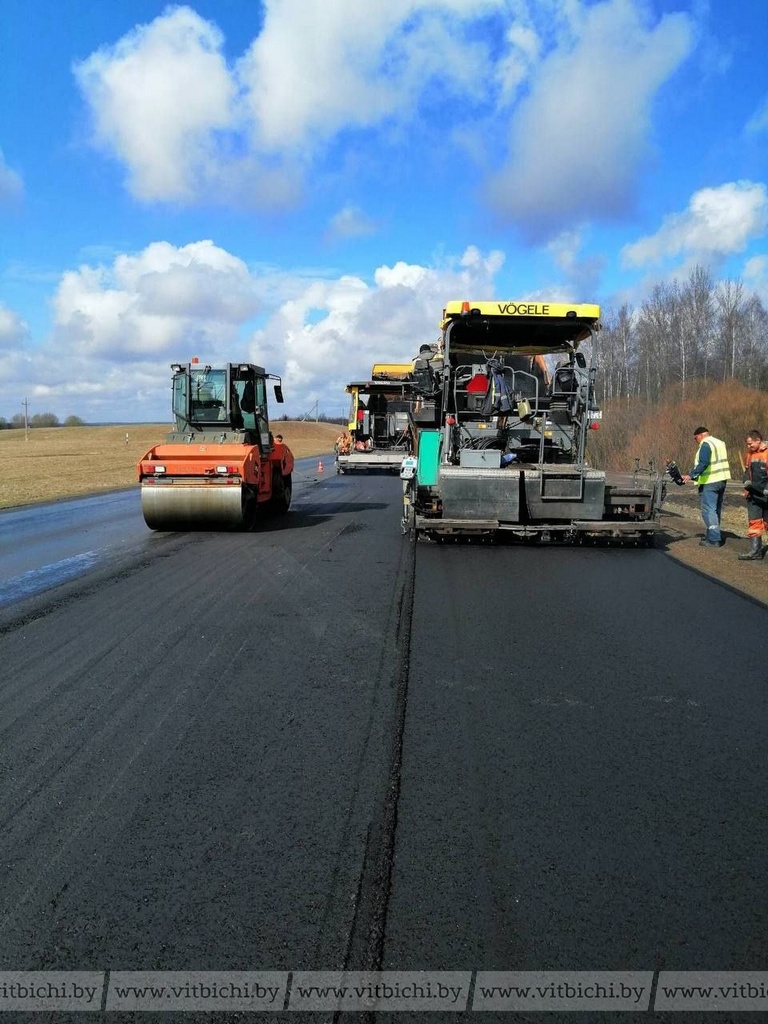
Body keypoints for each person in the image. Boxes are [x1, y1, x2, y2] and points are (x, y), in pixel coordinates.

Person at [682, 426, 731, 547]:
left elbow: (704, 462)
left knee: (709, 511)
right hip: (722, 480)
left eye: (695, 438)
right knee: (715, 510)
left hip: (710, 481)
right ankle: (712, 535)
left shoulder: (705, 444)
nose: (696, 441)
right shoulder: (720, 443)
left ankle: (714, 539)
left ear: (700, 435)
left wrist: (691, 475)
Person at [738, 429, 768, 560]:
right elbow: (746, 471)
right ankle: (755, 551)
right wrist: (746, 484)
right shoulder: (750, 454)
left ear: (758, 441)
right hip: (753, 495)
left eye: (750, 444)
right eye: (747, 444)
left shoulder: (766, 454)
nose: (748, 446)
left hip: (766, 495)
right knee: (754, 523)